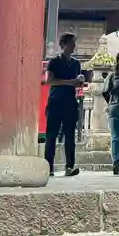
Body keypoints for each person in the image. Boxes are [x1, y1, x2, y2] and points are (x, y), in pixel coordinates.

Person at [42, 33, 86, 178]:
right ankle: (49, 167)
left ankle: (69, 166)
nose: (74, 46)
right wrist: (71, 81)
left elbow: (77, 83)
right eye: (71, 43)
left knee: (70, 136)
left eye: (74, 43)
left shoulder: (76, 63)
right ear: (63, 45)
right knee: (51, 135)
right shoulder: (54, 61)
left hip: (70, 102)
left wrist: (79, 82)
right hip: (55, 101)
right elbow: (49, 81)